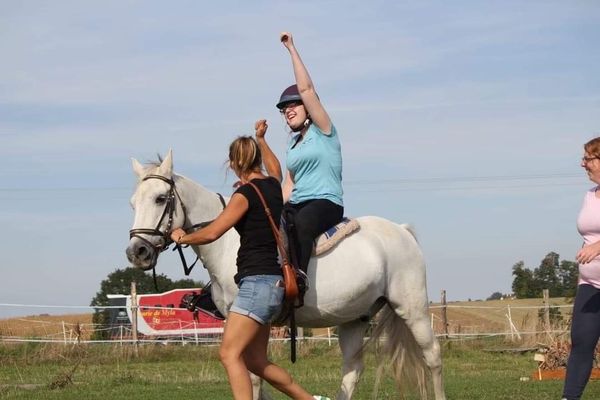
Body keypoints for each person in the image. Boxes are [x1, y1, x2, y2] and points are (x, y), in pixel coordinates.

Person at [170, 127, 316, 400]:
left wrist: (182, 237)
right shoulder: (272, 186)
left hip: (256, 285)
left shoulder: (244, 195)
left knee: (229, 354)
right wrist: (262, 139)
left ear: (234, 164)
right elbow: (276, 168)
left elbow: (213, 232)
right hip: (273, 283)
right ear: (256, 159)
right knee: (256, 362)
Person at [257, 31, 344, 276]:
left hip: (326, 202)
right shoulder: (293, 145)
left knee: (302, 223)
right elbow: (288, 186)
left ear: (307, 107)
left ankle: (299, 277)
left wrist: (291, 49)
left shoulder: (325, 129)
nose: (288, 110)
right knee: (266, 223)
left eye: (293, 105)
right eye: (284, 108)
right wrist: (266, 205)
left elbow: (306, 89)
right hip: (297, 202)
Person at [562, 136, 600, 400]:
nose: (583, 164)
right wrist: (581, 279)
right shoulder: (590, 196)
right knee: (581, 343)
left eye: (588, 158)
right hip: (590, 285)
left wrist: (598, 247)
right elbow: (586, 237)